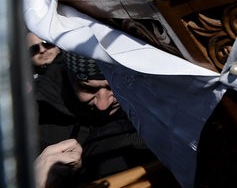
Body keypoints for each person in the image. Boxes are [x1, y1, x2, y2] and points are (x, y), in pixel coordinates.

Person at [35, 50, 175, 187]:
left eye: (114, 86)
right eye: (87, 89)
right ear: (68, 78)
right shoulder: (34, 114)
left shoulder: (161, 121)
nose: (103, 105)